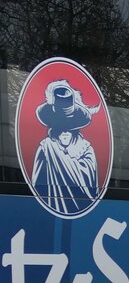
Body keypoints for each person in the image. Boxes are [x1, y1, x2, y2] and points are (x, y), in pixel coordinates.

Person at [31, 79, 100, 216]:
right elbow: (36, 188)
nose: (64, 133)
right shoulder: (46, 148)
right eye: (60, 128)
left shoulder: (86, 150)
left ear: (76, 129)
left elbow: (92, 190)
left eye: (69, 128)